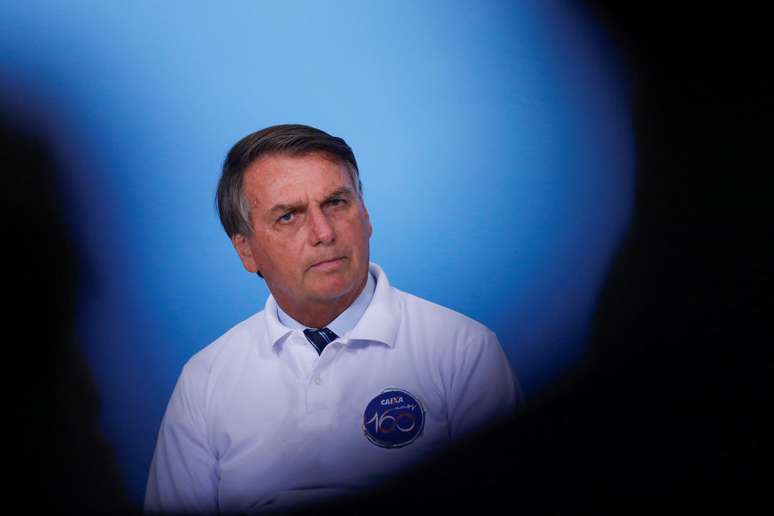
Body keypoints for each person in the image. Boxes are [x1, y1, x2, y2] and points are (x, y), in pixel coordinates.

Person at [144, 124, 521, 514]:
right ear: (246, 251)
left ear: (366, 215)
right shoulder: (204, 381)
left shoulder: (463, 350)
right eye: (289, 216)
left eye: (336, 203)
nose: (323, 233)